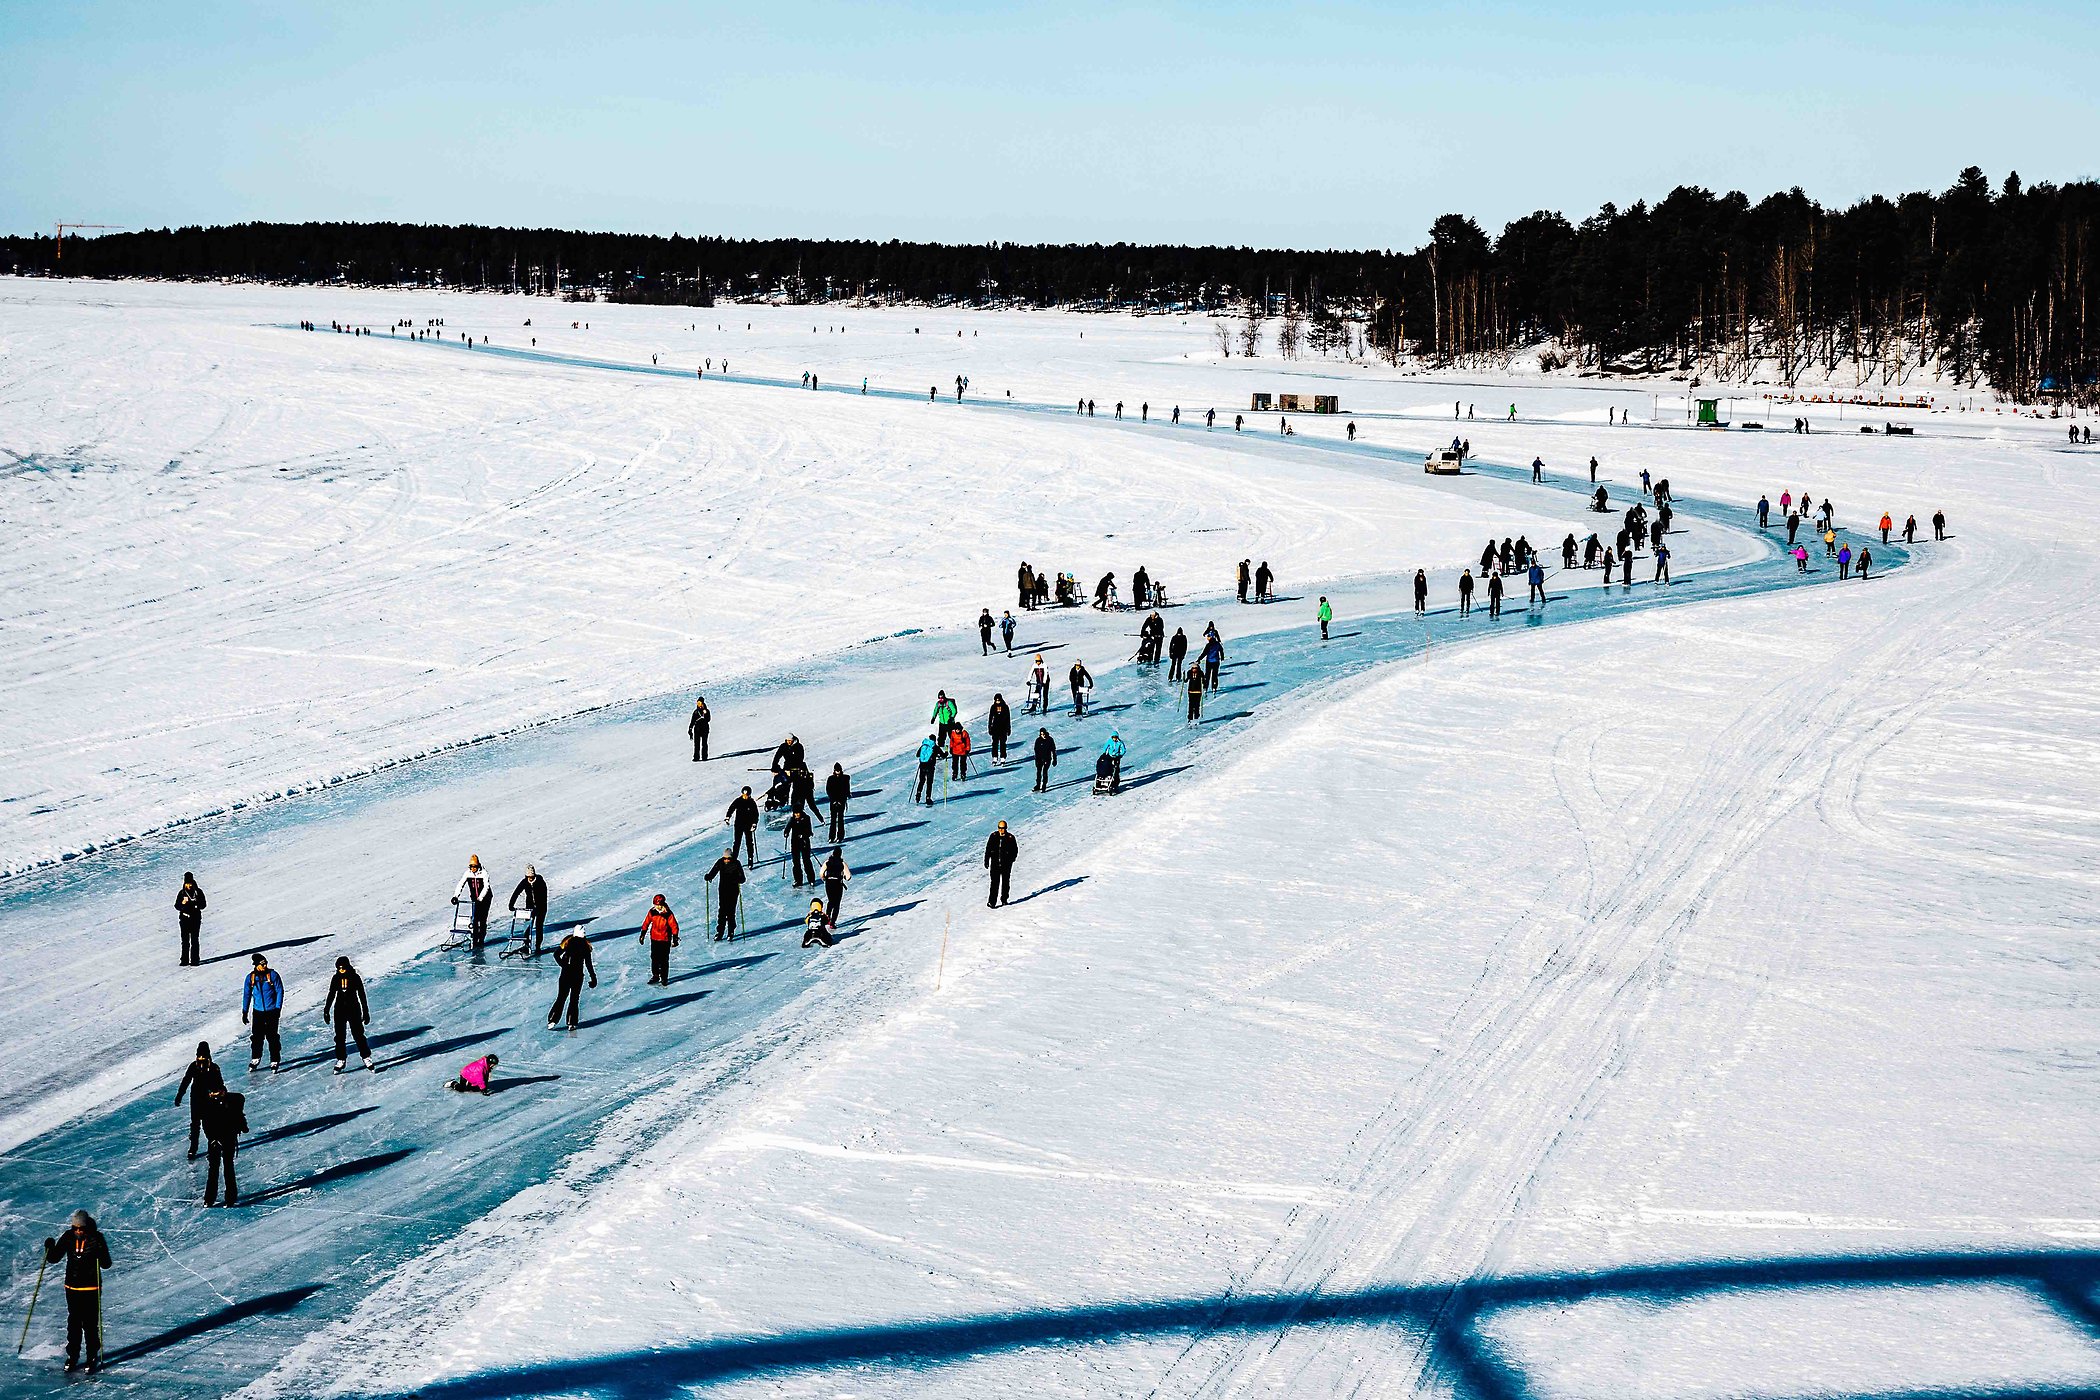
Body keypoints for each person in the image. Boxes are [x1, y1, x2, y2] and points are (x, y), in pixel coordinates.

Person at [44, 1211, 111, 1372]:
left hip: (91, 1288)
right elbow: (54, 1258)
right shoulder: (68, 1236)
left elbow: (106, 1264)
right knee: (73, 1323)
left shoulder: (97, 1238)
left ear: (87, 1227)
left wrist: (100, 1250)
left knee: (89, 1324)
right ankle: (72, 1356)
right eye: (75, 1228)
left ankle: (91, 1356)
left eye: (81, 1228)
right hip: (72, 1287)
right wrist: (49, 1247)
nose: (78, 1231)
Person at [321, 956, 373, 1073]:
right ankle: (341, 1059)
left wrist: (365, 1011)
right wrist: (326, 1009)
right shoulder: (335, 978)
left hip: (353, 1008)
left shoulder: (355, 977)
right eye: (339, 968)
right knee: (339, 1036)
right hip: (339, 1010)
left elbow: (361, 994)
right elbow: (331, 993)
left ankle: (366, 1057)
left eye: (343, 968)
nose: (341, 970)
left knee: (358, 1034)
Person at [175, 1041, 223, 1160]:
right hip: (196, 1099)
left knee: (208, 1125)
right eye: (199, 1056)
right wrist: (180, 1095)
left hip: (209, 1101)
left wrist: (219, 1094)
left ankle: (212, 1147)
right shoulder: (193, 1066)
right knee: (195, 1125)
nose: (201, 1059)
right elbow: (186, 1081)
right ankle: (193, 1149)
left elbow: (221, 1085)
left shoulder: (214, 1068)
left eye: (203, 1056)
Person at [200, 1086, 246, 1205]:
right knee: (213, 1169)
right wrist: (213, 1139)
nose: (215, 1096)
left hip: (228, 1138)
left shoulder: (232, 1101)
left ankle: (230, 1198)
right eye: (212, 1094)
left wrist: (242, 1126)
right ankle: (209, 1199)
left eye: (218, 1093)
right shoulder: (206, 1105)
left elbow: (238, 1111)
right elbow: (206, 1124)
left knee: (228, 1167)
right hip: (214, 1141)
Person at [241, 953, 285, 1072]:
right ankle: (256, 1057)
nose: (264, 966)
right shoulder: (250, 978)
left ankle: (275, 1059)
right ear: (256, 965)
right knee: (257, 1037)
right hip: (258, 1012)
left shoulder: (273, 975)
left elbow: (280, 991)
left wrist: (277, 1008)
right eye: (262, 964)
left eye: (265, 963)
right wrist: (245, 1012)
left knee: (272, 1037)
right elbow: (247, 995)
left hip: (272, 1012)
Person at [548, 927, 597, 1029]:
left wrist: (564, 965)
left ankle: (552, 1020)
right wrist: (593, 977)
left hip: (566, 974)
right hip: (577, 975)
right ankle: (572, 1022)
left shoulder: (568, 942)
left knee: (561, 997)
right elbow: (588, 964)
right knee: (574, 999)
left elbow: (556, 954)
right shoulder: (585, 945)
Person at [454, 855, 495, 950]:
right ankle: (475, 939)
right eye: (471, 867)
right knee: (475, 919)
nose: (473, 869)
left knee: (483, 918)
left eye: (475, 867)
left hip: (485, 898)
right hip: (475, 899)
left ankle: (481, 939)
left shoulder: (483, 873)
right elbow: (461, 884)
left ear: (478, 866)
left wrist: (480, 898)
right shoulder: (467, 873)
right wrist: (455, 896)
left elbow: (486, 887)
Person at [510, 864, 550, 955]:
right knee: (527, 926)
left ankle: (538, 947)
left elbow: (544, 896)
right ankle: (526, 945)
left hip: (541, 907)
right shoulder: (524, 882)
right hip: (530, 907)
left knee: (539, 926)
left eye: (532, 877)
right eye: (529, 877)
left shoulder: (540, 881)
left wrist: (539, 907)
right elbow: (516, 892)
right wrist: (511, 904)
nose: (530, 879)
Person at [638, 893, 680, 981]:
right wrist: (642, 934)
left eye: (658, 905)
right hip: (654, 938)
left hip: (665, 939)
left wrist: (675, 938)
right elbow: (646, 923)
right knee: (654, 958)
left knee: (664, 959)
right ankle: (656, 975)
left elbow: (674, 926)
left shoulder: (668, 914)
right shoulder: (652, 912)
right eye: (655, 905)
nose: (656, 907)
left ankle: (664, 977)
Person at [704, 849, 744, 940]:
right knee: (722, 911)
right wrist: (709, 876)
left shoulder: (736, 863)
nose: (726, 860)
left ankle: (731, 931)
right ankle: (720, 932)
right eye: (725, 858)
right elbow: (714, 870)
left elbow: (743, 878)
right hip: (723, 890)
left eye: (728, 858)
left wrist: (739, 879)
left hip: (733, 891)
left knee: (730, 911)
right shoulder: (720, 862)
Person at [983, 820, 1018, 907]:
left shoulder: (1010, 838)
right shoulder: (993, 836)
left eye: (1003, 828)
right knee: (994, 883)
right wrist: (986, 860)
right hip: (995, 864)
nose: (1001, 830)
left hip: (1006, 865)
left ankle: (1004, 899)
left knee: (1005, 882)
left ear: (1006, 828)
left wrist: (1011, 860)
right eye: (1000, 828)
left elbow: (1015, 850)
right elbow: (988, 849)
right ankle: (992, 902)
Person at [176, 871, 206, 966]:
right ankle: (184, 960)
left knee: (194, 939)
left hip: (195, 919)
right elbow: (176, 906)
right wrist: (183, 904)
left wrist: (195, 904)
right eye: (187, 883)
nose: (188, 886)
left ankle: (195, 960)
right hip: (184, 919)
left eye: (190, 883)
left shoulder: (198, 892)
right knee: (185, 941)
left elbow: (203, 905)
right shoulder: (181, 893)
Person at [786, 805, 818, 886]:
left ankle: (811, 879)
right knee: (796, 863)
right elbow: (788, 827)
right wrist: (786, 832)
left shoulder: (806, 818)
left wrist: (803, 835)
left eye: (798, 813)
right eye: (795, 813)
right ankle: (798, 880)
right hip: (795, 843)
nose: (796, 815)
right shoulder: (792, 819)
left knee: (806, 861)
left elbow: (809, 831)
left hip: (804, 843)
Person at [726, 786, 759, 861]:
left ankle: (750, 858)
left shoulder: (751, 802)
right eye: (744, 795)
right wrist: (728, 817)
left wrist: (754, 824)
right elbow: (731, 808)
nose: (745, 797)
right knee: (737, 842)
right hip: (738, 824)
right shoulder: (738, 801)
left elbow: (755, 814)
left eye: (747, 795)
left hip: (748, 825)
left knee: (749, 842)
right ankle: (734, 859)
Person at [825, 763, 851, 841]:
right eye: (836, 771)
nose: (838, 772)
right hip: (833, 801)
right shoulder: (830, 779)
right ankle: (831, 837)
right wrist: (833, 800)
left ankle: (840, 836)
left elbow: (846, 790)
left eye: (839, 770)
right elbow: (828, 790)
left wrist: (841, 800)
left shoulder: (845, 778)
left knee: (840, 819)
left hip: (841, 801)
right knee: (833, 819)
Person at [914, 733, 940, 804]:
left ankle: (918, 795)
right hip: (930, 767)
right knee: (929, 783)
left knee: (921, 781)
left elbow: (917, 755)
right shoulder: (934, 746)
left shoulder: (924, 745)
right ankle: (928, 798)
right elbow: (943, 755)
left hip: (922, 766)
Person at [1032, 727, 1058, 791]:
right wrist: (1036, 760)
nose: (1043, 736)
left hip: (1047, 759)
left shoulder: (1050, 740)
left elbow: (1053, 750)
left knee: (1044, 771)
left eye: (1044, 734)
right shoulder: (1038, 740)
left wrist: (1054, 759)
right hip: (1039, 759)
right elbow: (1036, 750)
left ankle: (1044, 785)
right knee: (1038, 772)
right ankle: (1038, 785)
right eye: (1042, 734)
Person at [988, 693, 1012, 761]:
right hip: (995, 728)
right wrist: (990, 728)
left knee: (1002, 744)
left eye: (998, 700)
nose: (997, 702)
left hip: (1003, 728)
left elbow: (1008, 718)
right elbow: (990, 718)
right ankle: (995, 757)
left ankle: (1003, 757)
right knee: (995, 743)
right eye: (996, 700)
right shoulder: (993, 707)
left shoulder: (1005, 707)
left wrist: (1008, 728)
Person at [688, 696, 710, 761]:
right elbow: (692, 721)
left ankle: (704, 757)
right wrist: (690, 728)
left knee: (704, 743)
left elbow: (708, 719)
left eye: (700, 703)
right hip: (697, 730)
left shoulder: (706, 711)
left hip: (705, 729)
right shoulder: (695, 712)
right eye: (698, 703)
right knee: (696, 744)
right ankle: (696, 757)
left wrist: (705, 714)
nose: (699, 704)